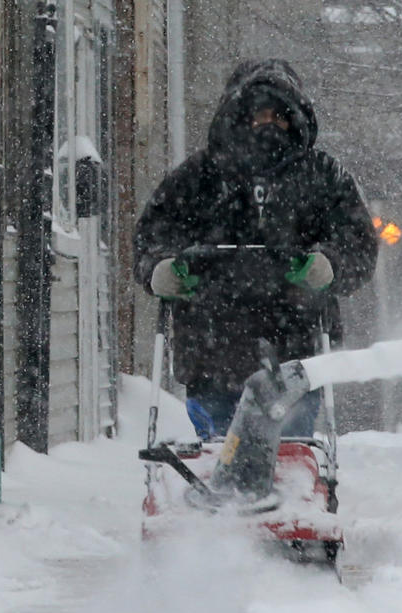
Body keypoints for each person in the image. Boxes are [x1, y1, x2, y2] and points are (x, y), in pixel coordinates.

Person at [134, 59, 377, 439]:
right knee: (219, 446)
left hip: (296, 346)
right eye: (260, 114)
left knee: (288, 445)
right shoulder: (198, 177)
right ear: (239, 115)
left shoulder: (324, 177)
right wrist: (160, 269)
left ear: (295, 119)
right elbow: (153, 235)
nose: (269, 125)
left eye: (279, 116)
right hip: (212, 345)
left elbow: (358, 242)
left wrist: (330, 264)